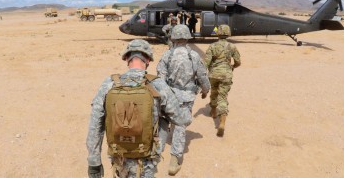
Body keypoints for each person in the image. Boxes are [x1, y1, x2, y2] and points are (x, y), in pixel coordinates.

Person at [86, 39, 187, 178]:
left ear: (127, 58)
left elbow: (95, 124)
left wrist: (94, 161)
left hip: (118, 154)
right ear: (147, 60)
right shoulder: (157, 84)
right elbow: (180, 118)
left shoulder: (109, 84)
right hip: (146, 158)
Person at [156, 24, 210, 175]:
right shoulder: (194, 56)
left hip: (168, 96)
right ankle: (175, 160)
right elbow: (202, 77)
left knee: (164, 121)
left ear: (173, 37)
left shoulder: (167, 55)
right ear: (187, 37)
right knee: (180, 126)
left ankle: (156, 152)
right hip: (186, 97)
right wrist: (205, 90)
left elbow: (160, 77)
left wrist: (164, 95)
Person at [204, 24, 241, 137]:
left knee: (214, 92)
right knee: (223, 97)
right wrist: (233, 67)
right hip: (226, 75)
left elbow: (206, 63)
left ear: (218, 33)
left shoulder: (212, 46)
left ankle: (214, 111)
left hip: (213, 74)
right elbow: (238, 62)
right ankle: (222, 123)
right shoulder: (232, 47)